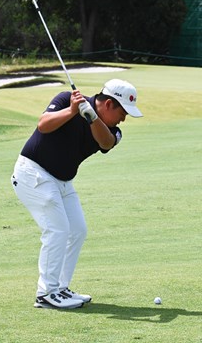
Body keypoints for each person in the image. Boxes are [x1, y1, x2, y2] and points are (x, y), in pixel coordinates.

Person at [11, 79, 142, 309]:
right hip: (33, 173)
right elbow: (43, 125)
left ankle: (60, 288)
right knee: (57, 229)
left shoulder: (112, 130)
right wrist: (72, 111)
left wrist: (91, 116)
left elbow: (106, 142)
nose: (124, 118)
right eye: (123, 112)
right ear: (109, 104)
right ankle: (46, 293)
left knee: (77, 230)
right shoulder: (65, 100)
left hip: (62, 182)